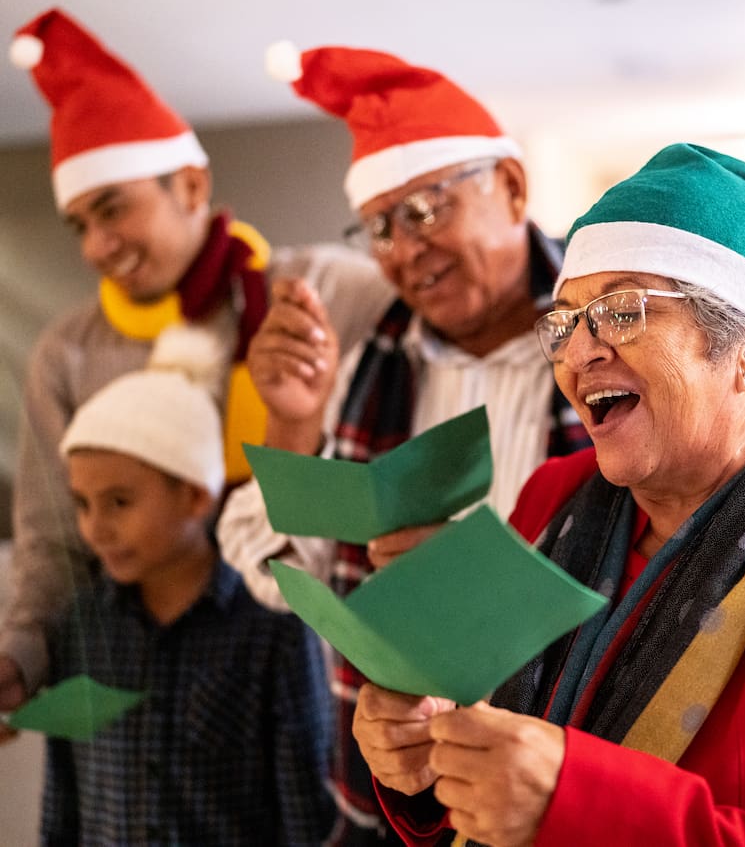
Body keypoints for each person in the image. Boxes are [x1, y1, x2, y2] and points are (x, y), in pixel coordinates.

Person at [351, 143, 745, 846]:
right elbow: (496, 752)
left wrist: (574, 802)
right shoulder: (552, 497)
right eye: (563, 323)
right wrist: (427, 753)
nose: (578, 352)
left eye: (622, 312)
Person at [217, 41, 589, 844]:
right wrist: (292, 422)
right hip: (387, 799)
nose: (403, 249)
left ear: (513, 188)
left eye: (424, 210)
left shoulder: (608, 346)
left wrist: (473, 581)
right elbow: (273, 579)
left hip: (581, 777)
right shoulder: (360, 370)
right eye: (379, 227)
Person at [0, 8, 393, 734]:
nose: (96, 245)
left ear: (188, 184)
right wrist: (22, 657)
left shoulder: (328, 292)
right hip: (149, 678)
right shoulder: (70, 352)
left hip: (322, 657)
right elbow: (52, 536)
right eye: (80, 224)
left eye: (112, 209)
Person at [41, 325, 335, 845]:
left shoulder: (273, 628)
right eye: (81, 504)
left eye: (119, 502)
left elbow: (305, 810)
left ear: (196, 497)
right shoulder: (80, 624)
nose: (95, 528)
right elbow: (62, 800)